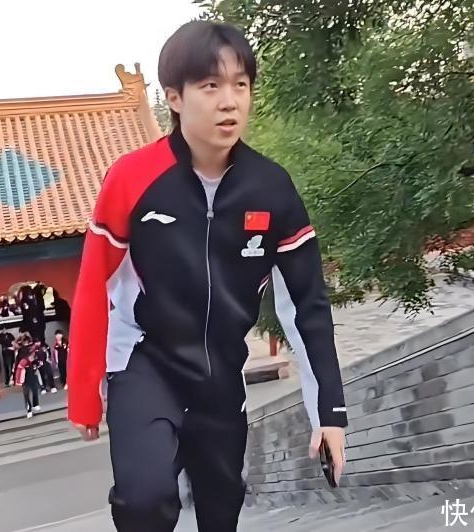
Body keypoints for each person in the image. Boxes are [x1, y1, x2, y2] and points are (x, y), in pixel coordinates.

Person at [66, 20, 347, 532]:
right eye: (211, 85)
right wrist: (84, 391)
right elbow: (92, 284)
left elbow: (307, 304)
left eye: (241, 85)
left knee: (221, 513)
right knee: (144, 499)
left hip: (222, 373)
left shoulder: (272, 189)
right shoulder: (132, 178)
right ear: (174, 97)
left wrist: (328, 412)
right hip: (145, 360)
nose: (229, 102)